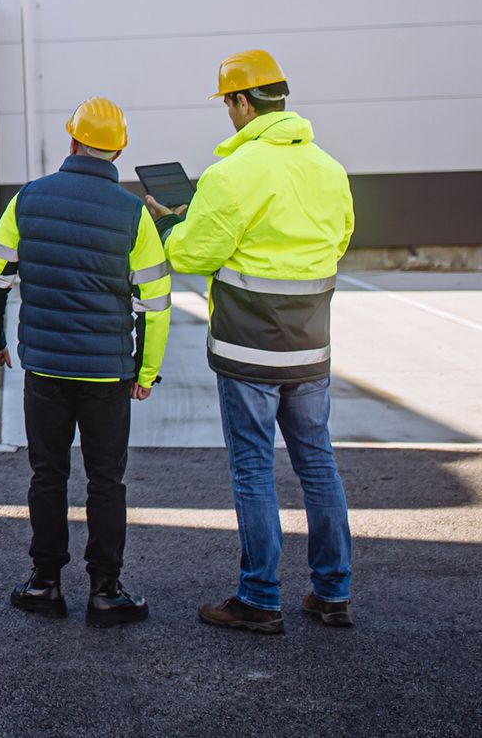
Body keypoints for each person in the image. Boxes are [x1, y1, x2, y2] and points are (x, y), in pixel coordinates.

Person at [146, 49, 356, 635]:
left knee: (254, 468)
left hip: (247, 349)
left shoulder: (230, 174)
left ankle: (260, 598)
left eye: (228, 104)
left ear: (242, 102)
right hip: (310, 346)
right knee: (317, 463)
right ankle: (332, 592)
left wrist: (173, 222)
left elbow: (191, 253)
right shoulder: (328, 169)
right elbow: (337, 241)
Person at [0, 96, 172, 627]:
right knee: (107, 479)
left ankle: (44, 583)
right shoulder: (134, 213)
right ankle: (107, 591)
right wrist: (146, 370)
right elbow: (155, 303)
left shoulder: (29, 199)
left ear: (72, 141)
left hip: (45, 369)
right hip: (109, 373)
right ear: (119, 151)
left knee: (48, 475)